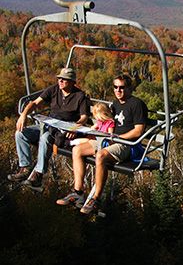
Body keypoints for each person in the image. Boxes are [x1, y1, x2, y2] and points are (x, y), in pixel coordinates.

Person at [56, 74, 148, 214]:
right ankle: (78, 193)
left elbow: (138, 131)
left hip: (126, 144)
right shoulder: (115, 104)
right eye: (116, 87)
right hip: (108, 139)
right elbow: (106, 121)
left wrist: (117, 137)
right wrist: (97, 130)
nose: (118, 90)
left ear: (129, 88)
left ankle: (95, 199)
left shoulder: (137, 104)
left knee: (100, 156)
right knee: (77, 150)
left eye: (122, 87)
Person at [7, 67, 90, 189]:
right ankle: (25, 167)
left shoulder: (79, 96)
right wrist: (23, 115)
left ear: (72, 82)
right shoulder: (54, 90)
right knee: (20, 133)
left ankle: (38, 174)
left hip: (63, 130)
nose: (60, 81)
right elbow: (35, 103)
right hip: (48, 125)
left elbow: (84, 117)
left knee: (46, 137)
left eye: (64, 79)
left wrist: (74, 128)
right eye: (59, 78)